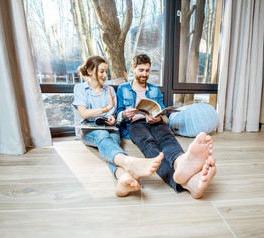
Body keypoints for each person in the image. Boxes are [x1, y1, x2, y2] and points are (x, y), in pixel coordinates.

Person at [116, 54, 216, 199]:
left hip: (154, 122)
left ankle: (180, 162)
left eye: (147, 70)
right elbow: (118, 113)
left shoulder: (154, 90)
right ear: (133, 69)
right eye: (141, 70)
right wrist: (125, 114)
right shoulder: (123, 89)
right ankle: (186, 182)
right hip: (135, 124)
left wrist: (159, 117)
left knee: (167, 137)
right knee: (149, 144)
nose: (145, 74)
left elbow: (164, 114)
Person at [72, 56, 163, 197]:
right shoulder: (80, 88)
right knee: (102, 135)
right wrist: (105, 108)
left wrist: (112, 118)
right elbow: (84, 113)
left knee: (113, 147)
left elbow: (113, 114)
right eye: (101, 71)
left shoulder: (110, 90)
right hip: (89, 129)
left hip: (110, 128)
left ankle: (123, 178)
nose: (104, 75)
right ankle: (128, 162)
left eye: (106, 72)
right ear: (90, 71)